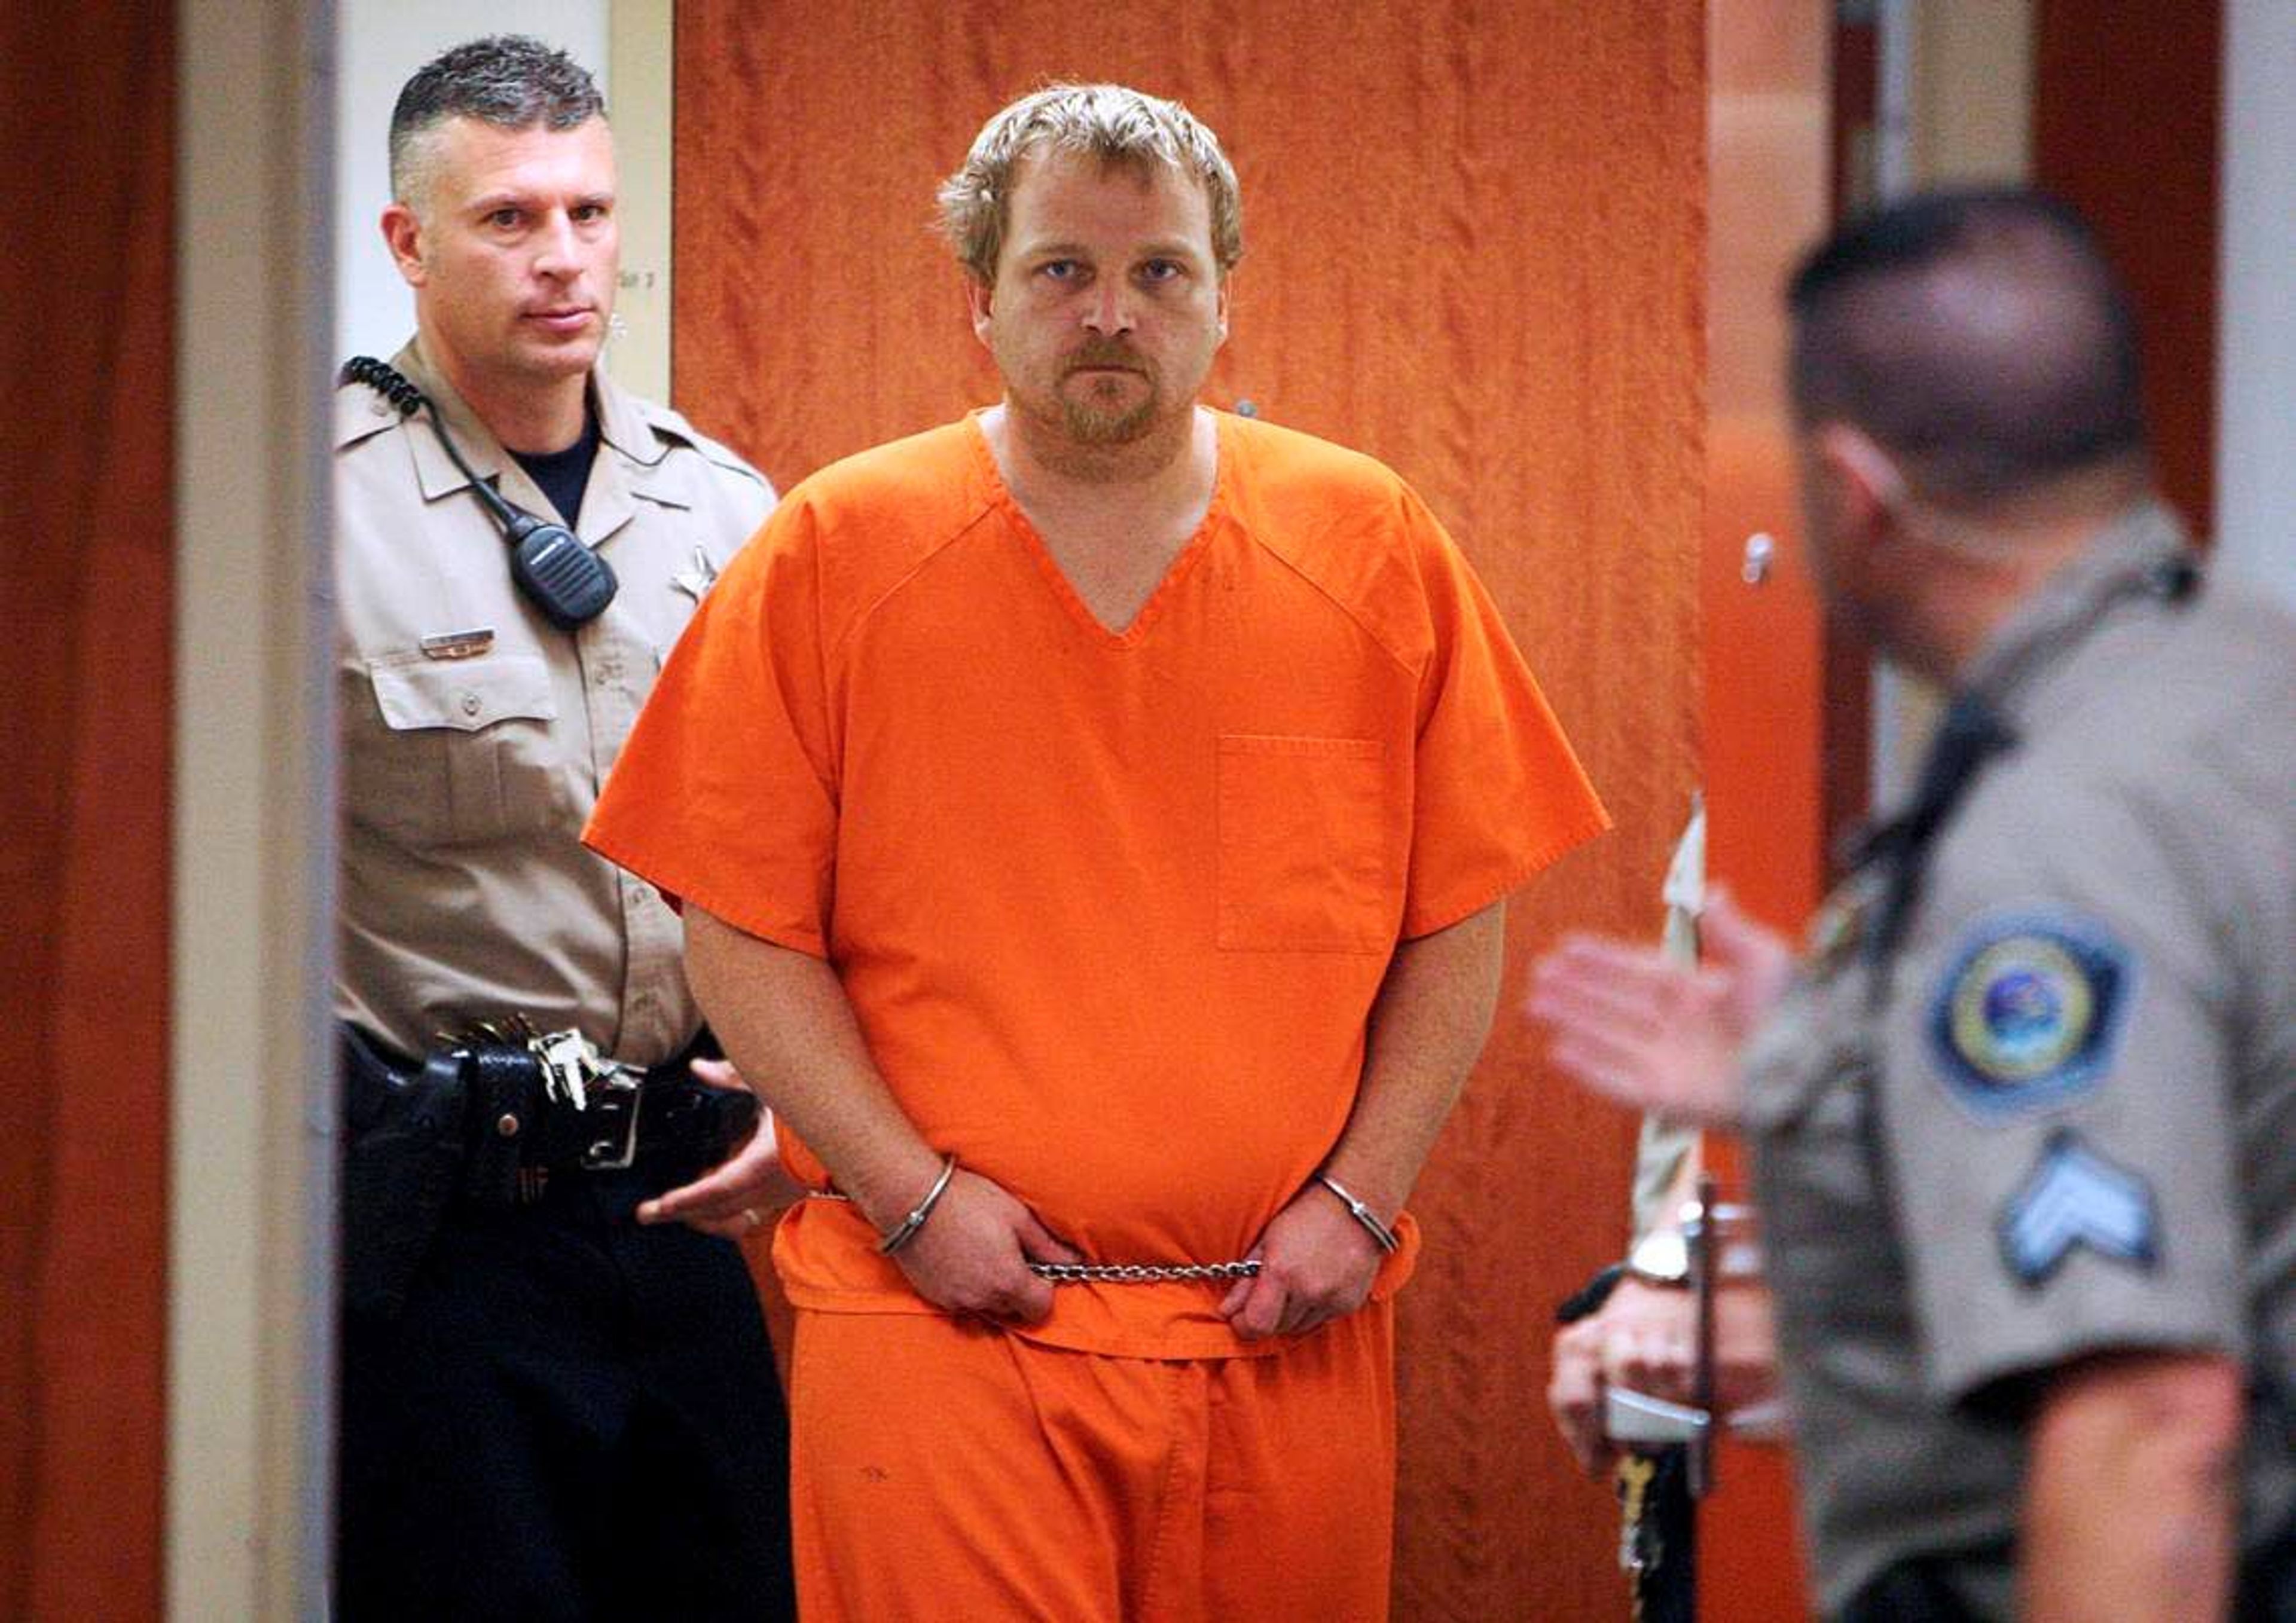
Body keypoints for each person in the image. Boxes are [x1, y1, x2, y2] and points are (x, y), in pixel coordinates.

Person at [583, 81, 1609, 1620]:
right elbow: (739, 923)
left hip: (1284, 1328)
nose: (1112, 314)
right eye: (1062, 269)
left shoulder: (1370, 544)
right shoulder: (836, 548)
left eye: (1160, 273)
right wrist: (911, 1195)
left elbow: (1455, 911)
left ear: (1222, 302)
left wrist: (1365, 1195)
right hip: (939, 1324)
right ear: (982, 300)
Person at [1526, 187, 2295, 1621]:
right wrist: (1839, 1058)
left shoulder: (2056, 837)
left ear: (1853, 490)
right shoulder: (2238, 686)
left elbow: (2146, 1422)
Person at [332, 35, 795, 1620]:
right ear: (408, 241)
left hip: (678, 1207)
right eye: (510, 218)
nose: (564, 260)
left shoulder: (728, 516)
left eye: (590, 215)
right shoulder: (301, 510)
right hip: (438, 1233)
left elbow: (819, 858)